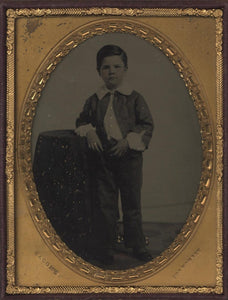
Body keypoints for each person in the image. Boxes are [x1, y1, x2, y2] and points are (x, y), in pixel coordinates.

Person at [75, 44, 153, 265]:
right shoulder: (94, 100)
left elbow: (146, 124)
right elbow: (82, 120)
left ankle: (137, 245)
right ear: (99, 71)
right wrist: (89, 132)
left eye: (117, 66)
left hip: (129, 159)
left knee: (131, 202)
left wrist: (129, 141)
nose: (112, 71)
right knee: (105, 204)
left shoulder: (134, 98)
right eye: (106, 67)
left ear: (125, 69)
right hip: (103, 159)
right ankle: (106, 247)